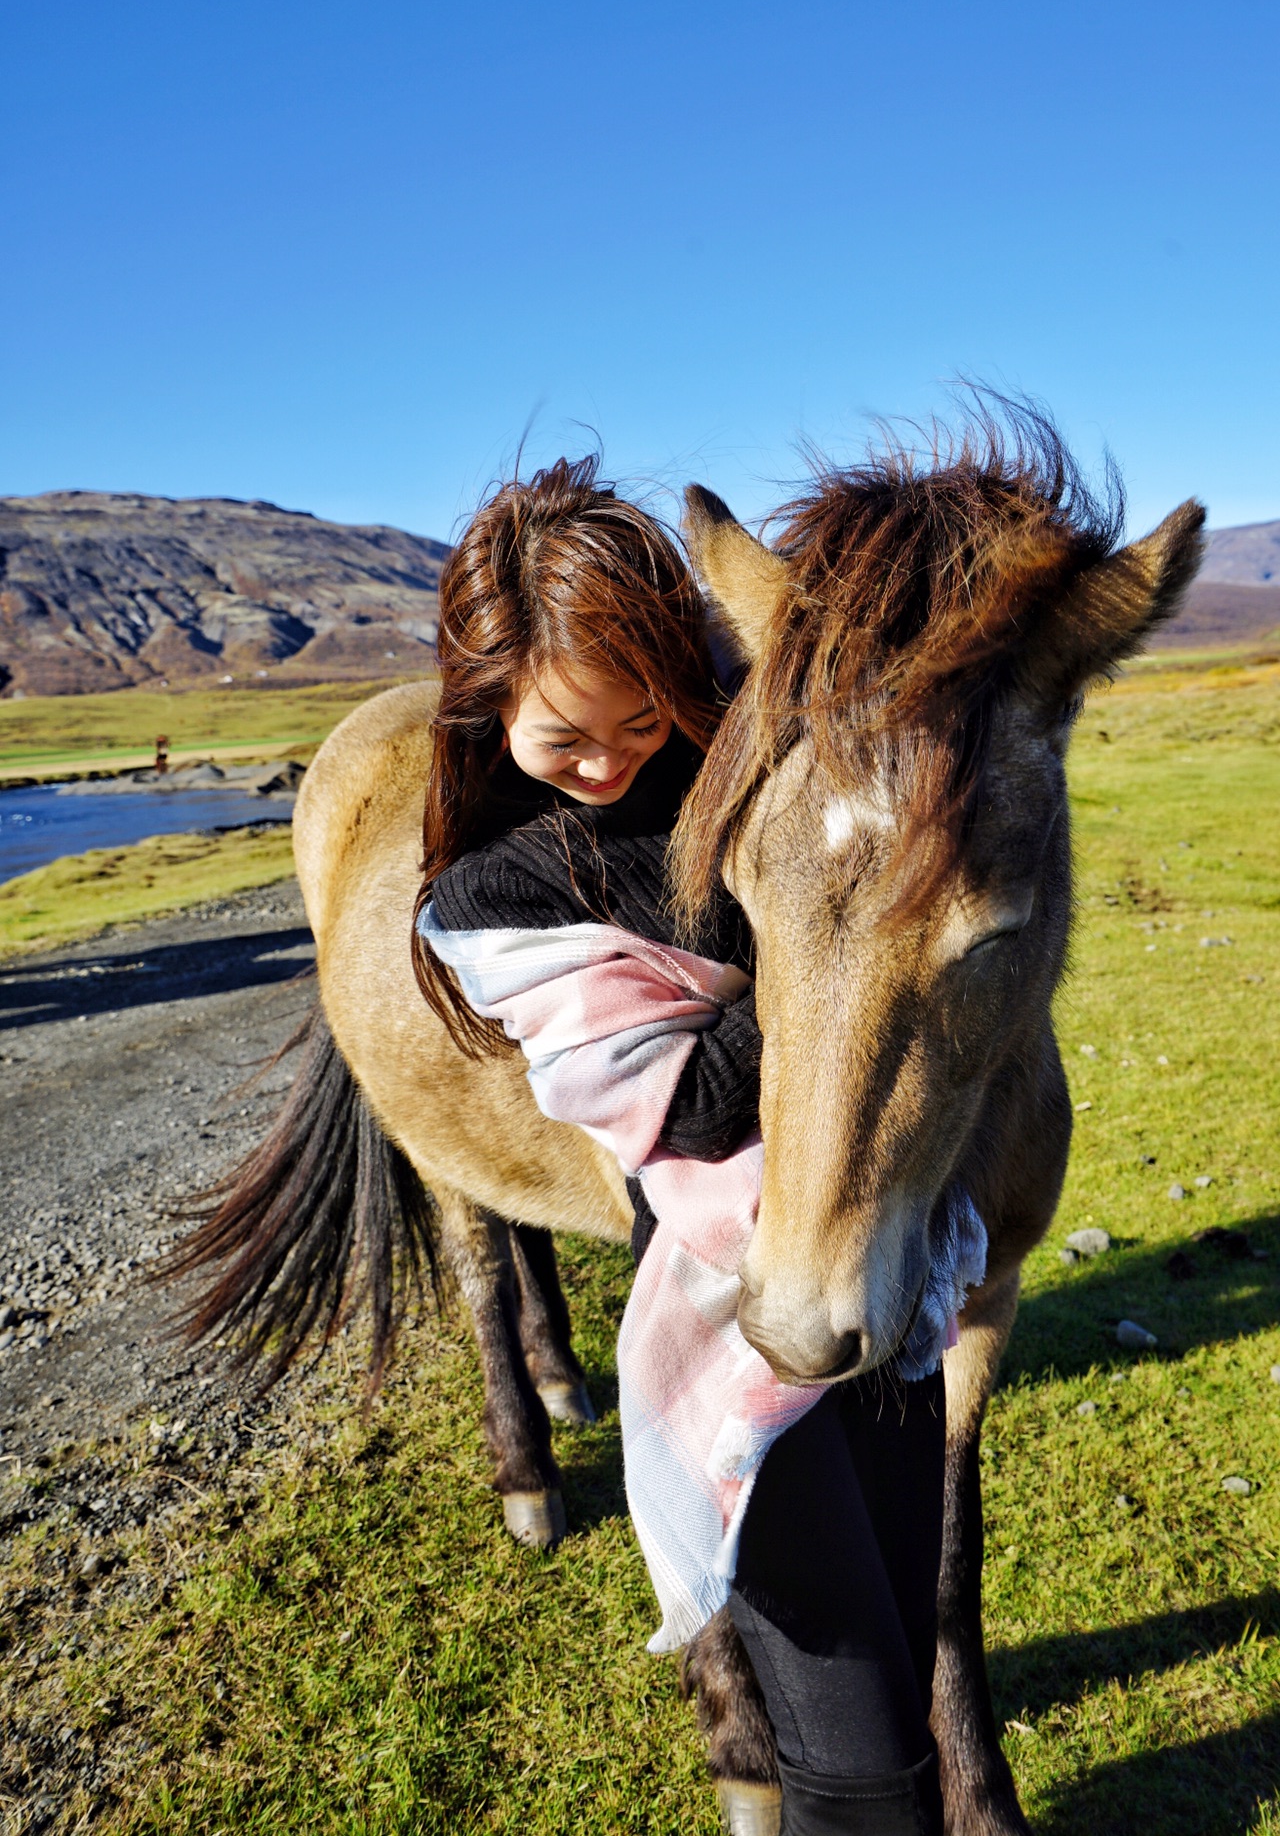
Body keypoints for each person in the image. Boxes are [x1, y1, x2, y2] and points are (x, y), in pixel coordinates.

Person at [413, 453, 954, 1836]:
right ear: (486, 718)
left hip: (880, 1258)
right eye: (560, 739)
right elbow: (691, 1101)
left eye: (638, 713)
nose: (607, 761)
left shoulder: (768, 763)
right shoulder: (496, 897)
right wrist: (846, 964)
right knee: (860, 1741)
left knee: (906, 1628)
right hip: (726, 1314)